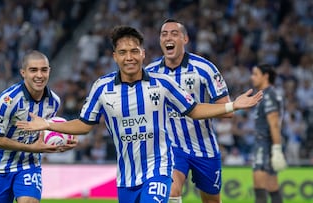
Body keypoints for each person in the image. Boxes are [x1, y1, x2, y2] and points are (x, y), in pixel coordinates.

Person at [16, 26, 262, 203]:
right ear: (115, 57)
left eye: (134, 51)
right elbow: (84, 124)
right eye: (123, 52)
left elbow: (195, 109)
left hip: (159, 168)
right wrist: (48, 124)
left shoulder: (162, 83)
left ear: (143, 53)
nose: (129, 57)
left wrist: (233, 106)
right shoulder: (102, 88)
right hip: (126, 175)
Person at [145, 19, 232, 203]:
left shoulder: (205, 69)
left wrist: (193, 110)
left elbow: (227, 110)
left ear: (185, 39)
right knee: (171, 191)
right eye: (164, 34)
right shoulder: (150, 73)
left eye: (174, 33)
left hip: (204, 147)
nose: (168, 37)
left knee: (211, 201)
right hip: (171, 147)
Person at [0, 50, 77, 203]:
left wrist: (66, 141)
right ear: (23, 73)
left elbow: (48, 132)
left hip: (29, 164)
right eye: (33, 70)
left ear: (49, 71)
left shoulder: (54, 101)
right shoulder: (8, 101)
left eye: (44, 70)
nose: (39, 75)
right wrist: (32, 148)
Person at [250, 64, 287, 203]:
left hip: (264, 145)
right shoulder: (268, 94)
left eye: (255, 74)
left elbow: (274, 124)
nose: (252, 77)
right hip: (268, 145)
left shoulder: (269, 95)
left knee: (260, 189)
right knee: (273, 188)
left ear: (265, 76)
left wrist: (277, 149)